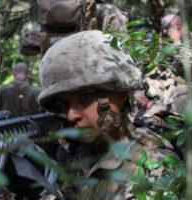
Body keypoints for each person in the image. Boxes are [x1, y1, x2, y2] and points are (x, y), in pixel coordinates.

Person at [38, 30, 178, 199]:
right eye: (63, 104)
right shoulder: (83, 154)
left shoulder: (152, 163)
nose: (71, 116)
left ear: (122, 93)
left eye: (84, 96)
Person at [144, 13, 192, 113]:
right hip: (169, 87)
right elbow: (160, 68)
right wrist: (161, 49)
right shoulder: (168, 42)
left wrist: (176, 44)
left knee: (178, 121)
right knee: (148, 119)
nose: (165, 33)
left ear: (178, 25)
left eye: (166, 29)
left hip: (187, 87)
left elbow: (191, 62)